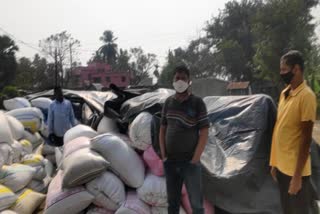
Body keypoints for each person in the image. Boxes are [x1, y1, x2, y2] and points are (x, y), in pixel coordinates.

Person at [270, 50, 318, 214]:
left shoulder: (307, 96)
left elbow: (305, 139)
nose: (281, 73)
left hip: (295, 171)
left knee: (298, 210)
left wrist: (297, 177)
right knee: (287, 210)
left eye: (284, 70)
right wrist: (274, 163)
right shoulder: (285, 93)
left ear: (296, 69)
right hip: (282, 168)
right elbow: (280, 130)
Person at [159, 65, 209, 214]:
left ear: (189, 81)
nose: (180, 81)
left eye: (183, 78)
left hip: (190, 163)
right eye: (177, 78)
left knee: (197, 206)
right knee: (172, 204)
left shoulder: (197, 103)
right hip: (171, 162)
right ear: (173, 81)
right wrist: (164, 156)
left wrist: (195, 159)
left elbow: (204, 132)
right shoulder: (168, 103)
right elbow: (162, 130)